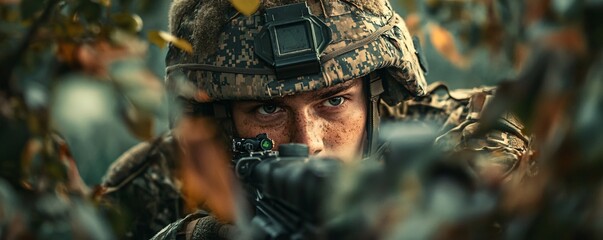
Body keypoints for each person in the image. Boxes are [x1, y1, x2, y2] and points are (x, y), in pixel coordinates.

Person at [98, 0, 532, 239]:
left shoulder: (461, 140)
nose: (308, 141)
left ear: (376, 94)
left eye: (334, 101)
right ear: (219, 119)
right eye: (268, 109)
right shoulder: (153, 184)